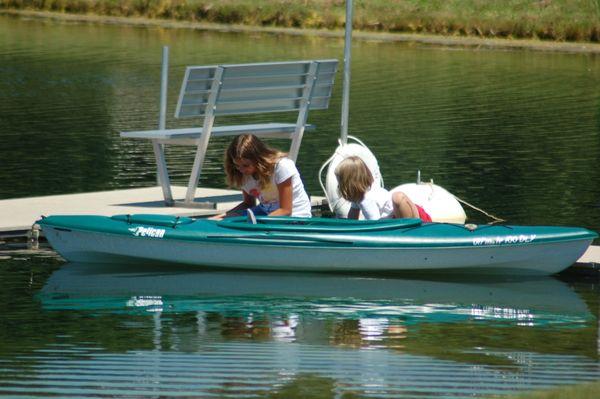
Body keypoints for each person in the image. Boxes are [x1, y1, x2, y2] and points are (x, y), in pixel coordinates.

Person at [212, 134, 312, 219]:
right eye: (237, 165)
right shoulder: (242, 174)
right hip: (264, 212)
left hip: (295, 215)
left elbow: (286, 210)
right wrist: (222, 216)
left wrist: (259, 222)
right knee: (220, 220)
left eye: (246, 165)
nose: (241, 170)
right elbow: (248, 204)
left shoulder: (281, 166)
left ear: (258, 159)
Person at [335, 156, 432, 222]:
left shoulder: (366, 199)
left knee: (397, 197)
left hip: (412, 217)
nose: (338, 186)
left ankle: (408, 230)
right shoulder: (358, 196)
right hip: (396, 218)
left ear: (350, 184)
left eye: (340, 182)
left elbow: (374, 223)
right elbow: (352, 217)